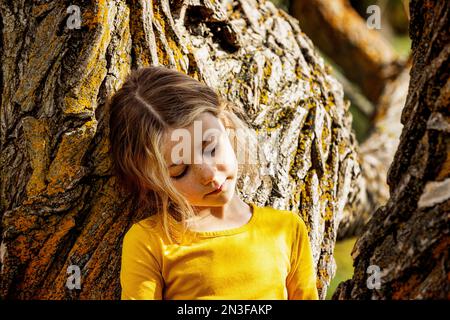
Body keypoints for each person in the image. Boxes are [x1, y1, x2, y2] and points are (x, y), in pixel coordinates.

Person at [108, 65, 319, 300]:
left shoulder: (286, 229)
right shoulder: (150, 242)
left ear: (225, 124)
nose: (208, 174)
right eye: (180, 171)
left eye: (211, 148)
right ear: (149, 182)